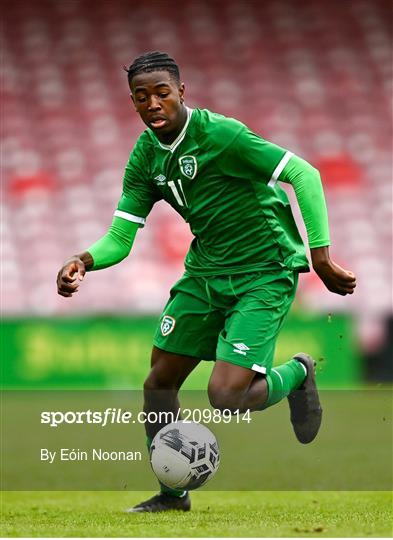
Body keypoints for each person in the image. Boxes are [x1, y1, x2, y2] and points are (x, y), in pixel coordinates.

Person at [57, 51, 356, 512]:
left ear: (182, 92)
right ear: (133, 103)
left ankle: (298, 373)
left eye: (161, 93)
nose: (153, 103)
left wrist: (321, 256)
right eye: (141, 97)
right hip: (205, 273)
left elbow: (303, 173)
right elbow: (121, 235)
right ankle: (172, 494)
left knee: (227, 397)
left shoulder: (221, 134)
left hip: (263, 271)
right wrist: (84, 259)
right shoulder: (145, 157)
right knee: (158, 382)